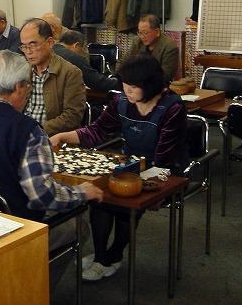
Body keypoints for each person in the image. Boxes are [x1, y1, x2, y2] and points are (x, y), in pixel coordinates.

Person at [0, 50, 103, 287]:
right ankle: (31, 290)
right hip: (12, 230)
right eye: (27, 87)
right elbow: (42, 195)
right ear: (18, 87)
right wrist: (82, 192)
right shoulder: (29, 131)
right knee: (77, 222)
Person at [50, 54, 188, 281]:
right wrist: (62, 137)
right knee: (98, 196)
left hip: (165, 169)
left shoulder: (172, 107)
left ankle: (112, 256)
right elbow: (97, 131)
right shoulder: (121, 100)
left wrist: (159, 192)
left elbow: (165, 157)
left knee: (126, 201)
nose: (127, 91)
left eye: (133, 87)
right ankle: (102, 256)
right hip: (131, 163)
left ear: (150, 85)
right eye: (125, 85)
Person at [20, 18, 85, 136]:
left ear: (50, 42)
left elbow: (72, 116)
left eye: (33, 45)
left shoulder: (70, 73)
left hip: (53, 137)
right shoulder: (23, 71)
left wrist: (36, 130)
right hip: (23, 134)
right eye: (24, 47)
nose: (28, 52)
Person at [122, 13, 179, 85]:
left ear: (157, 32)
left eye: (145, 33)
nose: (142, 36)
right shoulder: (137, 41)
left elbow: (165, 76)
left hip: (156, 86)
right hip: (134, 83)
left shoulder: (169, 47)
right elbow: (125, 62)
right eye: (140, 33)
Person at [56, 30, 120, 93]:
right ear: (76, 45)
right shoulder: (74, 57)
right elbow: (97, 83)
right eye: (82, 49)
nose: (82, 52)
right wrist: (120, 83)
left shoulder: (52, 50)